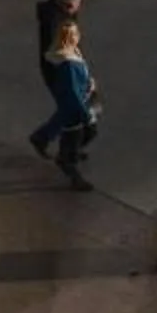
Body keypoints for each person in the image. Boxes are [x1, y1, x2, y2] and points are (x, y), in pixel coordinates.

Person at [29, 16, 99, 189]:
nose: (75, 38)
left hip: (81, 103)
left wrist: (89, 84)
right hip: (75, 109)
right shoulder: (67, 64)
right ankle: (71, 169)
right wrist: (83, 113)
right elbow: (72, 92)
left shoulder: (74, 53)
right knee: (74, 138)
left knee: (90, 131)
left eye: (75, 34)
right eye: (71, 35)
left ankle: (44, 139)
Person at [34, 0, 83, 100]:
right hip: (60, 71)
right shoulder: (54, 22)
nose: (76, 8)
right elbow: (55, 53)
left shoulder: (65, 10)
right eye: (71, 5)